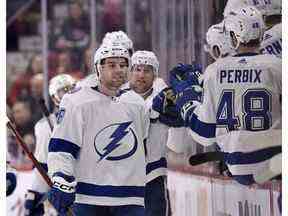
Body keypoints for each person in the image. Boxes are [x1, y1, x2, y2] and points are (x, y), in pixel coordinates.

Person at [154, 6, 281, 186]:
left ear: (233, 37)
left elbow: (204, 132)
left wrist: (186, 99)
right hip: (273, 163)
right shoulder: (277, 66)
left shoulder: (215, 71)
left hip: (235, 164)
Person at [47, 43, 149, 216]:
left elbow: (142, 147)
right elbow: (62, 148)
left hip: (130, 196)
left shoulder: (137, 103)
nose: (119, 70)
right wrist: (61, 179)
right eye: (111, 65)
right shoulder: (76, 102)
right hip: (88, 197)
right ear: (97, 68)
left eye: (123, 65)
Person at [24, 74, 76, 216]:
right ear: (54, 97)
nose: (69, 93)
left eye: (72, 89)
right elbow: (43, 166)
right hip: (63, 189)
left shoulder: (92, 118)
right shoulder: (45, 127)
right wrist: (34, 192)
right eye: (64, 90)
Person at [128, 50, 171, 216]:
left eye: (147, 70)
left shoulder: (167, 99)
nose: (141, 74)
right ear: (130, 72)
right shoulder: (118, 98)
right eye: (137, 69)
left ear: (155, 74)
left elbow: (179, 143)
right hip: (124, 177)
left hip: (153, 175)